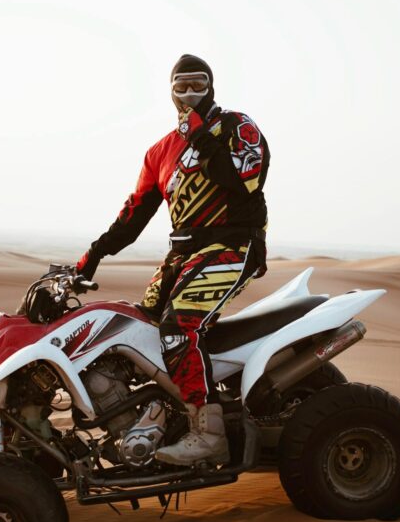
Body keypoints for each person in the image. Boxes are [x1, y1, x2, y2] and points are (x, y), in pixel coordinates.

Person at [76, 54, 269, 465]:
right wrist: (93, 255)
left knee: (178, 326)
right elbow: (133, 215)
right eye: (181, 87)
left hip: (234, 244)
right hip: (182, 252)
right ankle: (159, 412)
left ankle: (208, 432)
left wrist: (202, 137)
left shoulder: (238, 126)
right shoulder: (159, 152)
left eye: (198, 85)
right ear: (169, 92)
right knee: (138, 329)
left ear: (212, 86)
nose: (189, 95)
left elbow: (244, 184)